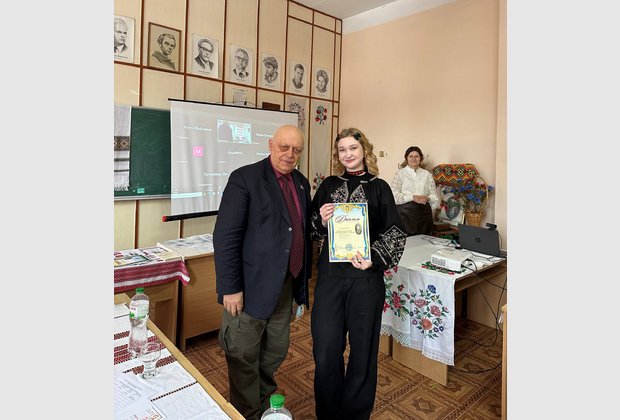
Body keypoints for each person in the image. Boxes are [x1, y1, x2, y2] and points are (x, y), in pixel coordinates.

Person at [214, 124, 313, 420]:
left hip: (285, 286)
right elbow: (226, 237)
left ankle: (264, 400)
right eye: (284, 147)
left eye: (296, 150)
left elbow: (300, 233)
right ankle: (247, 412)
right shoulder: (245, 178)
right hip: (248, 287)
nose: (289, 154)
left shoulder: (301, 183)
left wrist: (300, 289)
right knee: (243, 355)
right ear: (270, 145)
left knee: (275, 350)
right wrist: (230, 288)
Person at [310, 127, 406, 419]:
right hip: (330, 278)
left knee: (363, 351)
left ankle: (355, 414)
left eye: (353, 148)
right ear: (337, 154)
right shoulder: (328, 185)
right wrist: (321, 220)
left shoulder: (380, 187)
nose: (348, 154)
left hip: (366, 280)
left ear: (364, 150)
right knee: (326, 349)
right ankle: (328, 414)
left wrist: (373, 259)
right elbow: (310, 226)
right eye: (342, 150)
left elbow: (395, 233)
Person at [390, 146, 439, 236]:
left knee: (425, 241)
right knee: (408, 242)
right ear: (406, 158)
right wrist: (412, 197)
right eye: (410, 156)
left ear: (421, 158)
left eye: (416, 156)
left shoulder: (427, 175)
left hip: (424, 215)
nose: (413, 159)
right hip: (405, 214)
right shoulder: (400, 174)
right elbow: (394, 196)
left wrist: (427, 198)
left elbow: (435, 196)